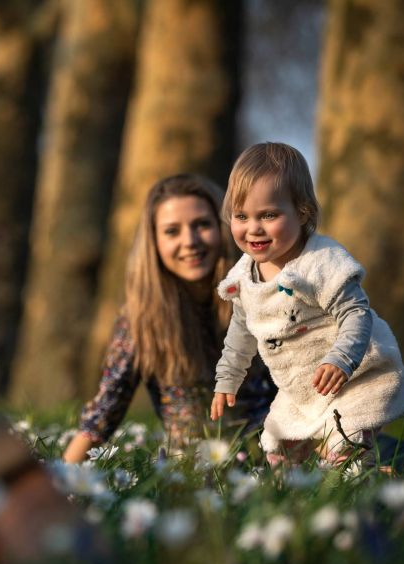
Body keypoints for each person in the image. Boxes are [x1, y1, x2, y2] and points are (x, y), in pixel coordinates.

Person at [210, 143, 404, 466]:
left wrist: (341, 359)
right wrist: (227, 377)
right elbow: (241, 331)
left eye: (269, 215)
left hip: (353, 376)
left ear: (302, 212)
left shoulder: (321, 262)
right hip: (301, 389)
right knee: (280, 454)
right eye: (242, 216)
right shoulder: (245, 276)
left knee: (343, 454)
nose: (254, 228)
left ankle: (353, 502)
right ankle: (292, 507)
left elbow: (356, 313)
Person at [63, 174, 276, 463]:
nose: (189, 241)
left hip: (277, 459)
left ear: (224, 228)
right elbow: (104, 411)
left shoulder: (262, 293)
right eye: (172, 231)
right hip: (193, 471)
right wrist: (61, 478)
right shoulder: (142, 318)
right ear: (154, 241)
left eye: (202, 225)